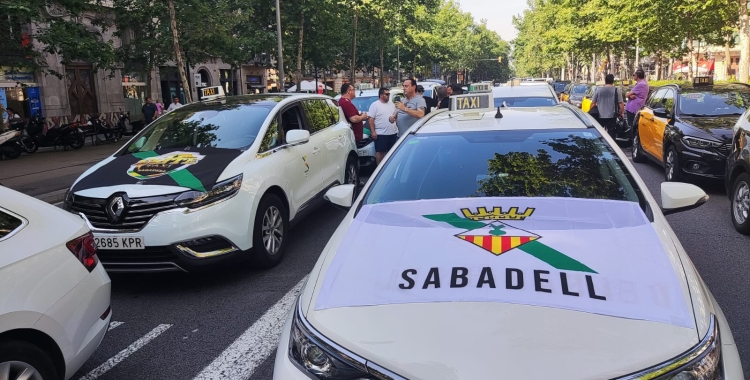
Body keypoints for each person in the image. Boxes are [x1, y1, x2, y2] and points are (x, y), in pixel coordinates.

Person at [367, 87, 399, 165]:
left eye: (389, 94)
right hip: (381, 134)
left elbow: (395, 115)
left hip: (393, 133)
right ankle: (379, 168)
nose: (388, 95)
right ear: (381, 95)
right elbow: (370, 119)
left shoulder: (391, 104)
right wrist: (373, 131)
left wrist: (394, 118)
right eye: (387, 94)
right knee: (380, 152)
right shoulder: (375, 105)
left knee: (393, 152)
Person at [590, 74, 624, 139]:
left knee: (599, 133)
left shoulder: (598, 90)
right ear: (613, 81)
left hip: (600, 115)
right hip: (612, 116)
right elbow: (620, 103)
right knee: (611, 134)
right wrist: (622, 113)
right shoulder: (617, 91)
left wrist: (591, 112)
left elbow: (593, 103)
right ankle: (610, 147)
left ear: (605, 81)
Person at [625, 69, 649, 133]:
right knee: (633, 126)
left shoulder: (641, 84)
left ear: (637, 76)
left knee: (632, 126)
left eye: (634, 75)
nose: (633, 76)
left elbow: (627, 95)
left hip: (633, 108)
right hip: (635, 107)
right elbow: (631, 95)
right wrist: (631, 95)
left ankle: (632, 141)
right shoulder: (643, 83)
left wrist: (629, 95)